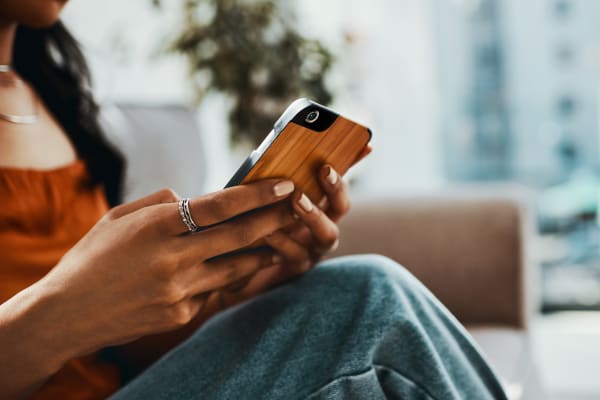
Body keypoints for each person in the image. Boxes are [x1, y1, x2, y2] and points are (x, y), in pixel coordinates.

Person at [0, 1, 508, 399]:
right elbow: (70, 322)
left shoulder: (50, 94)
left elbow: (107, 351)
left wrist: (228, 293)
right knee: (370, 301)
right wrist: (61, 312)